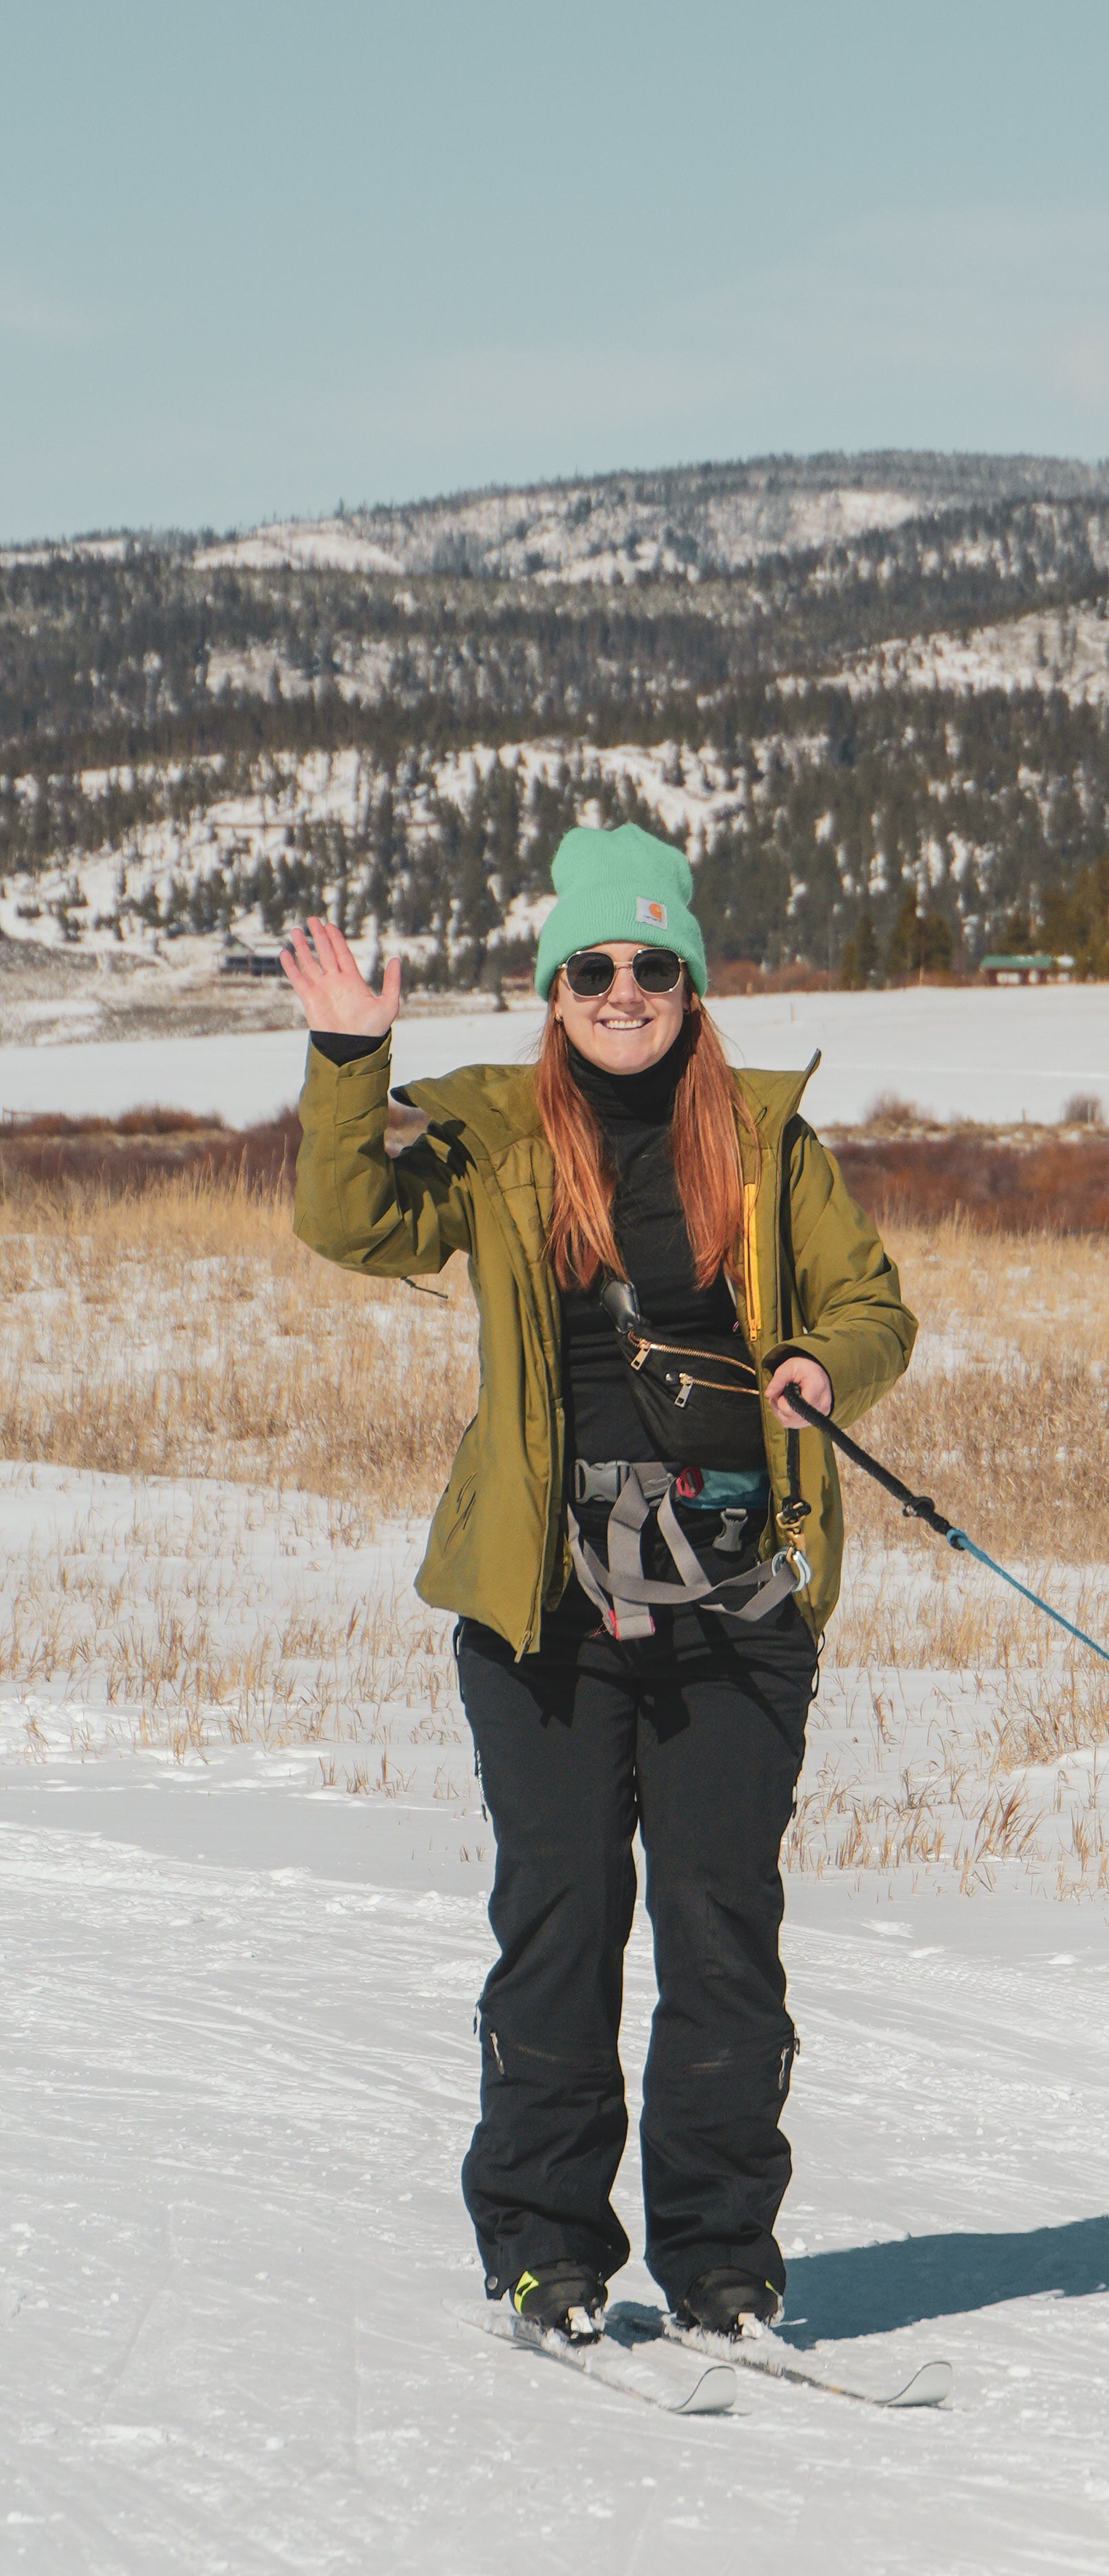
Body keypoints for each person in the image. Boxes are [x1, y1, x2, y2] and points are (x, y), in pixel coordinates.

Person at [280, 822, 916, 2349]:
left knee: (722, 1940)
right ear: (552, 988)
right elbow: (347, 1221)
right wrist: (345, 1060)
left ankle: (725, 2271)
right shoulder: (498, 1136)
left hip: (737, 1608)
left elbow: (872, 1302)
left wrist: (828, 1363)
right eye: (592, 967)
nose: (621, 989)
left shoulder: (766, 1141)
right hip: (544, 1612)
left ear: (691, 984)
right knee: (561, 1923)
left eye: (650, 964)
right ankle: (545, 2255)